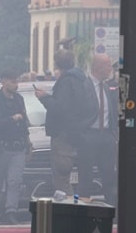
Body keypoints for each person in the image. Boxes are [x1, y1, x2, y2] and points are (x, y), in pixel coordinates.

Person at [35, 49, 97, 198]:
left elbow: (60, 108)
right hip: (79, 134)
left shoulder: (66, 81)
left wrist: (44, 97)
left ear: (57, 64)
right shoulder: (83, 80)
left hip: (63, 136)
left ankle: (67, 209)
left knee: (61, 180)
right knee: (81, 180)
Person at [0, 70, 30, 225]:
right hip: (1, 147)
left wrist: (28, 142)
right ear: (3, 82)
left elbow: (24, 123)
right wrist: (12, 118)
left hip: (18, 147)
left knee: (14, 181)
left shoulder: (19, 99)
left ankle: (11, 211)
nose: (15, 84)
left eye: (16, 81)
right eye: (11, 81)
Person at [78, 53, 118, 206]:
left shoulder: (107, 87)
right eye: (108, 65)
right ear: (98, 67)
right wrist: (81, 134)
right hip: (89, 136)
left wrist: (113, 133)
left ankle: (112, 208)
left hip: (106, 136)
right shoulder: (84, 86)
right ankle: (84, 208)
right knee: (86, 176)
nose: (110, 69)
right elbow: (77, 113)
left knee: (109, 175)